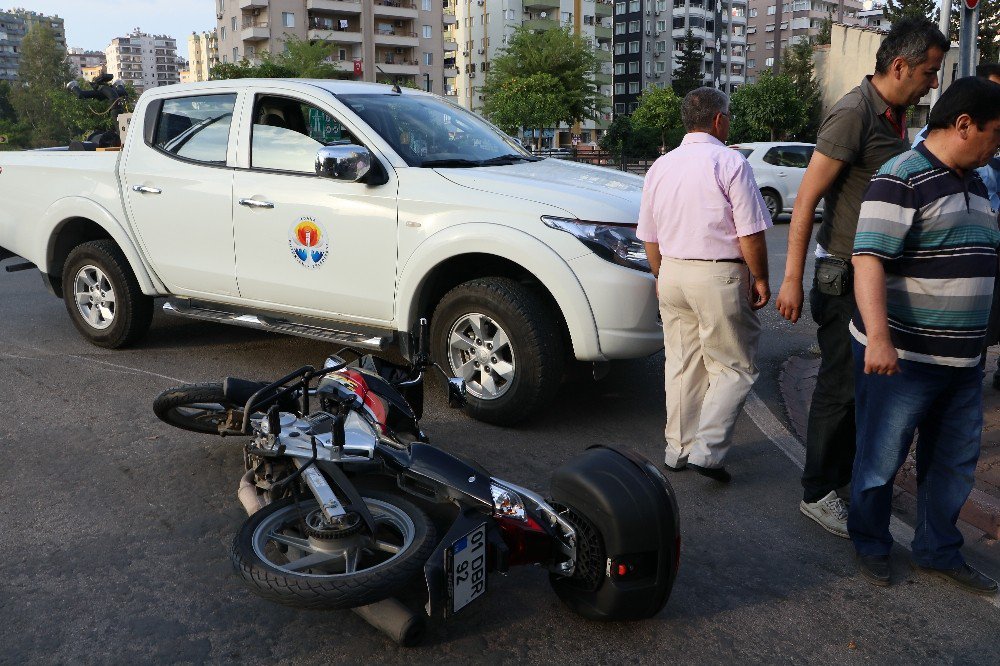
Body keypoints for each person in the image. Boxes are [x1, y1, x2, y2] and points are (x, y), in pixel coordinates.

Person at [774, 18, 949, 537]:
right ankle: (816, 491)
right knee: (840, 386)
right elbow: (805, 201)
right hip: (846, 271)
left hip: (876, 271)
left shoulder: (893, 114)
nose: (933, 83)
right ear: (899, 65)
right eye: (929, 71)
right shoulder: (853, 113)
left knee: (865, 386)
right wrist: (789, 279)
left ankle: (844, 477)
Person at [849, 76, 1000, 594]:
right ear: (964, 125)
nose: (998, 145)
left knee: (953, 462)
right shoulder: (902, 176)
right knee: (881, 457)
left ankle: (938, 548)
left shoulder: (976, 181)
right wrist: (879, 338)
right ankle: (870, 542)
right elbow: (867, 258)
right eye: (995, 133)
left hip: (962, 363)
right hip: (904, 357)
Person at [638, 87, 771, 483]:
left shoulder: (660, 166)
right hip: (718, 274)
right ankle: (708, 453)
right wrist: (761, 277)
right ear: (718, 120)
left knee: (681, 364)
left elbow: (649, 233)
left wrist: (662, 274)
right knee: (734, 366)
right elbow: (750, 233)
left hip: (672, 271)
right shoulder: (729, 162)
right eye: (727, 116)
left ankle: (676, 449)